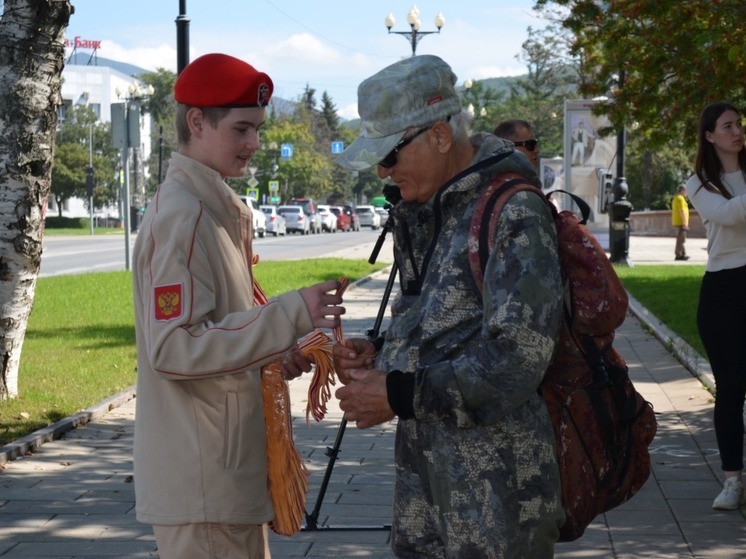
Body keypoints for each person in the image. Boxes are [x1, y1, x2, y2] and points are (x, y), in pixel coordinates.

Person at [333, 55, 565, 558]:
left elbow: (518, 357)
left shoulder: (514, 211)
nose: (383, 171)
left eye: (391, 155)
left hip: (498, 492)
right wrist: (377, 353)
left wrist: (397, 393)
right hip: (427, 480)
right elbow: (440, 323)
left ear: (439, 135)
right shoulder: (426, 208)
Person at [131, 53, 345, 559]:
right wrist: (289, 313)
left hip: (222, 476)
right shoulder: (182, 216)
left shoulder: (211, 208)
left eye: (258, 129)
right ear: (197, 122)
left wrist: (274, 352)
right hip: (205, 482)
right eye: (243, 128)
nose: (255, 144)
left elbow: (217, 332)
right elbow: (175, 347)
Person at [685, 101, 746, 511]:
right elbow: (725, 215)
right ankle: (732, 481)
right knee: (731, 388)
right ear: (710, 135)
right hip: (724, 291)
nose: (737, 131)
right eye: (727, 126)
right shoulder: (697, 183)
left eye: (739, 124)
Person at [671, 184, 690, 260]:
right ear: (682, 190)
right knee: (681, 239)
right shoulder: (680, 199)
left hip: (679, 221)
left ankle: (682, 254)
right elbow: (681, 211)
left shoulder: (677, 198)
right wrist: (685, 222)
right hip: (681, 222)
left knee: (681, 239)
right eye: (686, 191)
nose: (686, 193)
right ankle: (678, 255)